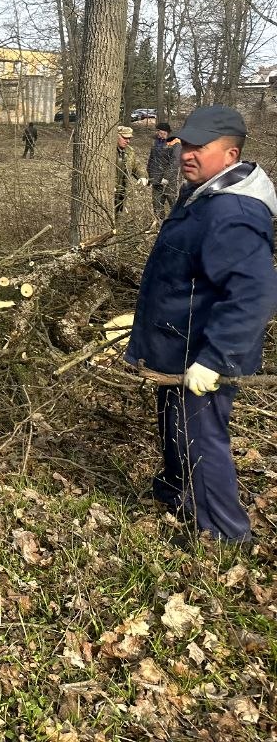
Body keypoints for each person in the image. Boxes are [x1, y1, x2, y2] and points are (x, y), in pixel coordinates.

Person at [125, 105, 277, 544]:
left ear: (230, 155)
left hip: (202, 354)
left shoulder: (235, 212)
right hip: (177, 346)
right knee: (175, 426)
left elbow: (254, 293)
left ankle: (227, 536)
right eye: (184, 143)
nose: (186, 153)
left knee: (201, 439)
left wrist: (215, 359)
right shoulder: (202, 194)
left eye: (199, 146)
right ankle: (178, 496)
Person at [147, 121, 181, 219]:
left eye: (164, 134)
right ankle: (159, 226)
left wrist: (166, 177)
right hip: (156, 180)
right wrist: (150, 176)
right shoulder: (155, 142)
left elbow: (174, 162)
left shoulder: (175, 143)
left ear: (168, 133)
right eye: (159, 133)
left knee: (173, 205)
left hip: (169, 182)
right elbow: (151, 160)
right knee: (157, 206)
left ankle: (177, 224)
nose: (161, 136)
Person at [115, 126, 148, 214]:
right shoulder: (108, 151)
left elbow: (136, 166)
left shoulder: (130, 151)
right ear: (116, 136)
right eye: (125, 138)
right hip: (109, 192)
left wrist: (142, 176)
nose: (128, 141)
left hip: (122, 193)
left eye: (129, 138)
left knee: (118, 217)